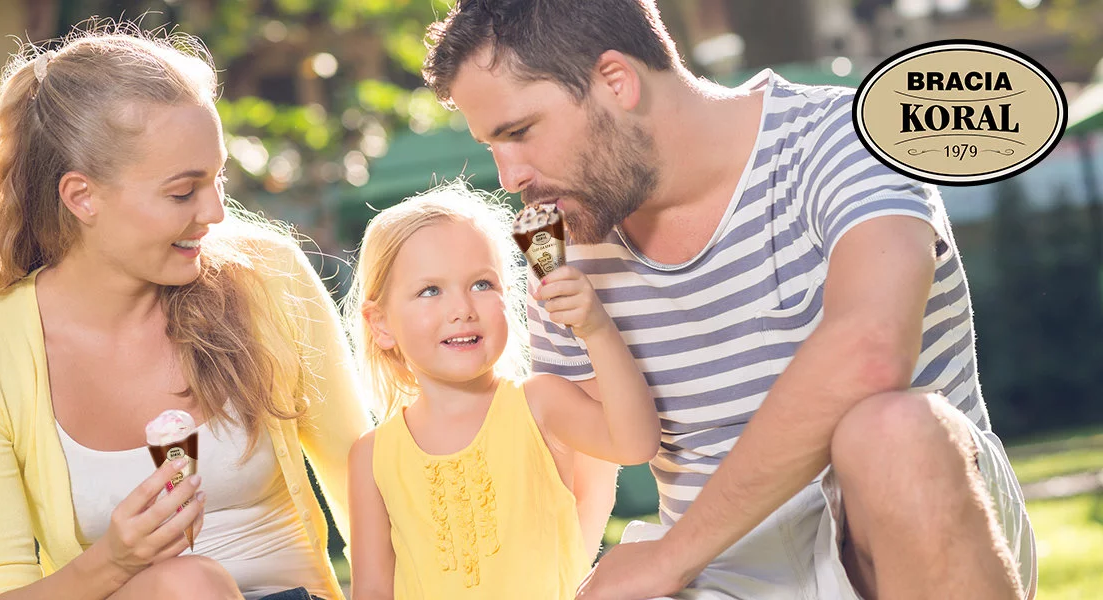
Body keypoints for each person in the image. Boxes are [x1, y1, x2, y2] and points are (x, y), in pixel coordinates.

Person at [422, 1, 1038, 599]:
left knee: (894, 431)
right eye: (491, 146)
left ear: (616, 80)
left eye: (520, 132)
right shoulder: (566, 243)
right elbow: (579, 464)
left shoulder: (845, 137)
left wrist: (670, 555)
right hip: (723, 573)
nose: (510, 177)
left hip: (900, 527)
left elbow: (870, 353)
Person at [0, 28, 370, 600]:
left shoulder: (267, 279)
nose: (214, 212)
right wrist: (114, 562)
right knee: (186, 584)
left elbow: (368, 489)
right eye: (183, 193)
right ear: (81, 196)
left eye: (218, 178)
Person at [342, 182, 660, 599]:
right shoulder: (371, 456)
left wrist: (596, 329)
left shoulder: (541, 404)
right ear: (381, 324)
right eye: (430, 291)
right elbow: (372, 591)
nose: (462, 310)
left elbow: (636, 444)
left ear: (508, 297)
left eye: (481, 284)